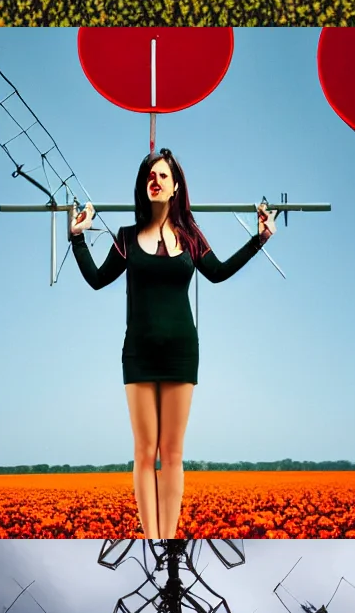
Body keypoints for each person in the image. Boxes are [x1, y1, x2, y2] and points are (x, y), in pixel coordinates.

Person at [69, 149, 274, 539]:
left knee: (173, 452)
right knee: (145, 452)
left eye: (163, 175)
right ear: (143, 186)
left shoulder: (191, 237)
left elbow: (218, 273)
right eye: (150, 174)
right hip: (139, 353)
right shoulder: (126, 238)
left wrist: (259, 239)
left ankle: (170, 535)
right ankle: (155, 539)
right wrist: (77, 238)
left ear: (175, 186)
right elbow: (96, 279)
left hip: (182, 350)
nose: (156, 179)